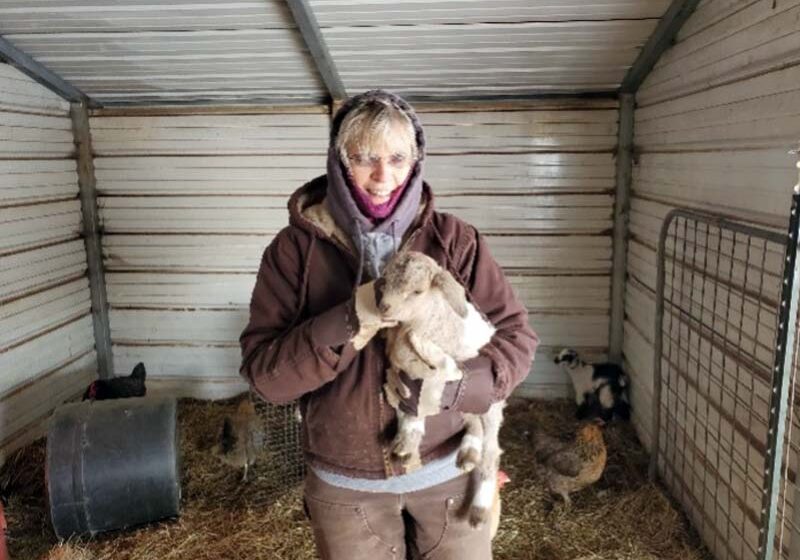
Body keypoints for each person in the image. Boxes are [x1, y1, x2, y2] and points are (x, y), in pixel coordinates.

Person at [239, 90, 538, 559]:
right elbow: (265, 378)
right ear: (340, 162)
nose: (383, 177)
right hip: (345, 488)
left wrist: (455, 390)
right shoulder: (293, 252)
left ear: (416, 160)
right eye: (364, 158)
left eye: (398, 159)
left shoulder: (454, 240)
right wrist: (348, 317)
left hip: (448, 474)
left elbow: (517, 339)